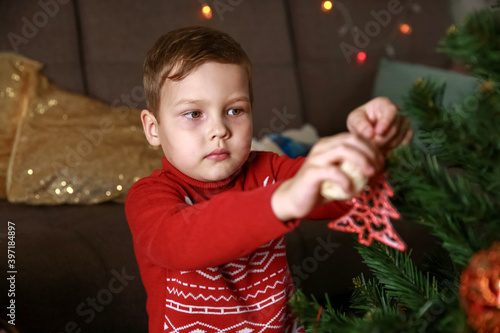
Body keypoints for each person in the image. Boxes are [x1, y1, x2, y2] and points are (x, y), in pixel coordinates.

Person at [125, 26, 412, 333]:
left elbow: (344, 197)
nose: (219, 129)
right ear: (153, 128)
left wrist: (374, 147)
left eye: (234, 110)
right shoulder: (147, 196)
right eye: (194, 114)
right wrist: (281, 200)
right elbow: (180, 242)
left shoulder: (268, 170)